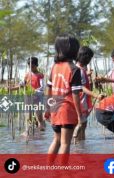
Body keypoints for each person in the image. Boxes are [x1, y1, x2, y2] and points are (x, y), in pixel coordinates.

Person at [45, 34, 83, 164]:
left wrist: (47, 108)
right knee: (65, 143)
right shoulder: (74, 69)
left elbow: (48, 89)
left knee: (56, 140)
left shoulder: (54, 67)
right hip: (67, 110)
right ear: (73, 50)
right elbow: (76, 95)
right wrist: (80, 116)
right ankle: (62, 172)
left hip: (54, 109)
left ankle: (48, 167)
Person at [73, 46, 104, 142]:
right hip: (81, 103)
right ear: (85, 57)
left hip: (82, 102)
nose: (90, 60)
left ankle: (81, 149)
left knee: (82, 126)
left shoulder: (80, 70)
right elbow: (81, 87)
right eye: (90, 58)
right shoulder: (79, 71)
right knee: (81, 126)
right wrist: (95, 95)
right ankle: (79, 149)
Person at [10, 57, 45, 131]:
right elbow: (22, 85)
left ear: (36, 65)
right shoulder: (27, 75)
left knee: (39, 117)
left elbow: (42, 87)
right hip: (28, 98)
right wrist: (12, 89)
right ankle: (30, 133)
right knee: (29, 117)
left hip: (38, 98)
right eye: (29, 66)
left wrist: (35, 92)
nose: (31, 68)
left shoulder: (40, 75)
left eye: (33, 66)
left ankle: (41, 134)